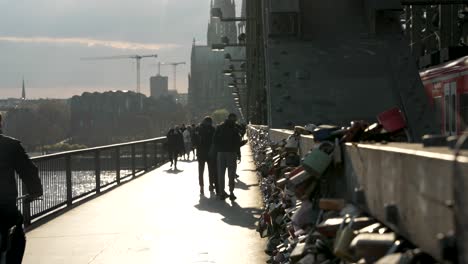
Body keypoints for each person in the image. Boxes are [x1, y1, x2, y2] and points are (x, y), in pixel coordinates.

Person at [0, 113, 43, 264]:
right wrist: (35, 191)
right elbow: (29, 170)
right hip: (4, 207)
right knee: (16, 237)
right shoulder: (10, 146)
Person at [213, 113, 241, 200]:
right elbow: (237, 143)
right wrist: (239, 154)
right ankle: (231, 192)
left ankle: (222, 193)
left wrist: (219, 149)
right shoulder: (234, 128)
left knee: (221, 173)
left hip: (220, 153)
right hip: (231, 153)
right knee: (231, 174)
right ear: (233, 119)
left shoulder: (219, 127)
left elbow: (214, 140)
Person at [196, 117, 217, 195]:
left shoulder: (199, 129)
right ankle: (211, 185)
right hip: (210, 153)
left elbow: (195, 139)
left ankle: (201, 186)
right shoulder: (213, 129)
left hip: (201, 153)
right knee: (211, 170)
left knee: (201, 171)